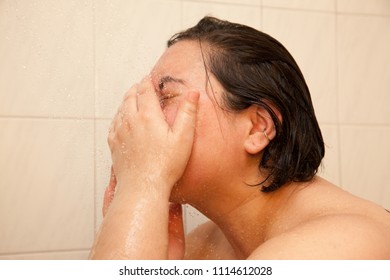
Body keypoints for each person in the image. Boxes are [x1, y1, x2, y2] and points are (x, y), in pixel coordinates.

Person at [89, 16, 390, 260]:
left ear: (257, 128)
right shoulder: (205, 247)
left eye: (166, 95)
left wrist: (142, 184)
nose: (143, 115)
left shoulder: (337, 245)